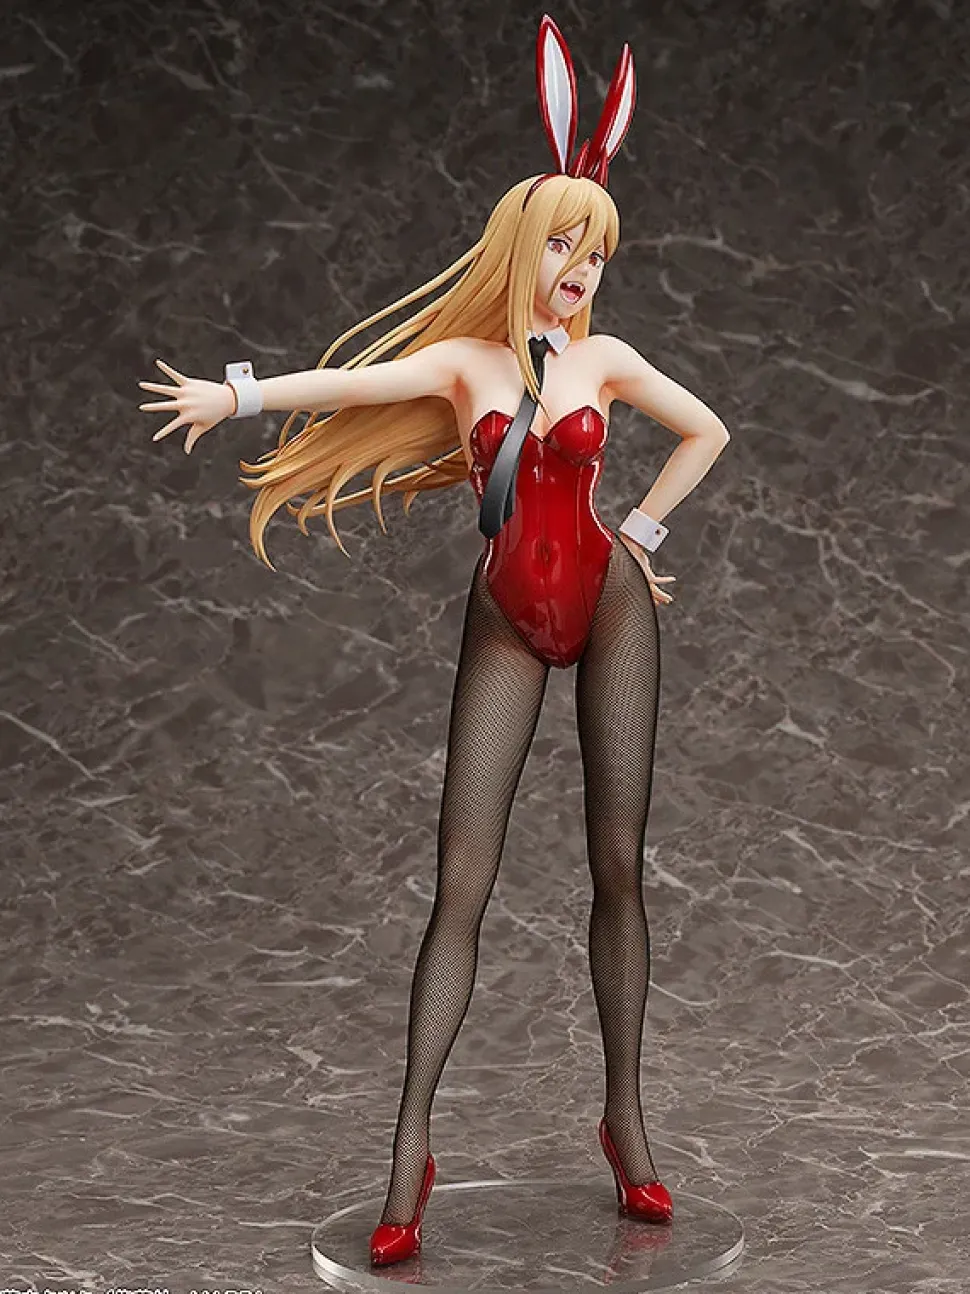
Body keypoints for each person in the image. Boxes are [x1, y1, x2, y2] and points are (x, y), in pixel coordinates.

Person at [138, 14, 730, 1268]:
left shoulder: (607, 360)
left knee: (617, 869)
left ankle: (626, 1125)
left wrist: (641, 534)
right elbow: (349, 388)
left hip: (610, 609)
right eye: (563, 246)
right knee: (461, 880)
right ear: (522, 246)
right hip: (507, 616)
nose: (580, 270)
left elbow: (709, 431)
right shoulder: (467, 363)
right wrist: (235, 394)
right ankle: (409, 1149)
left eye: (597, 252)